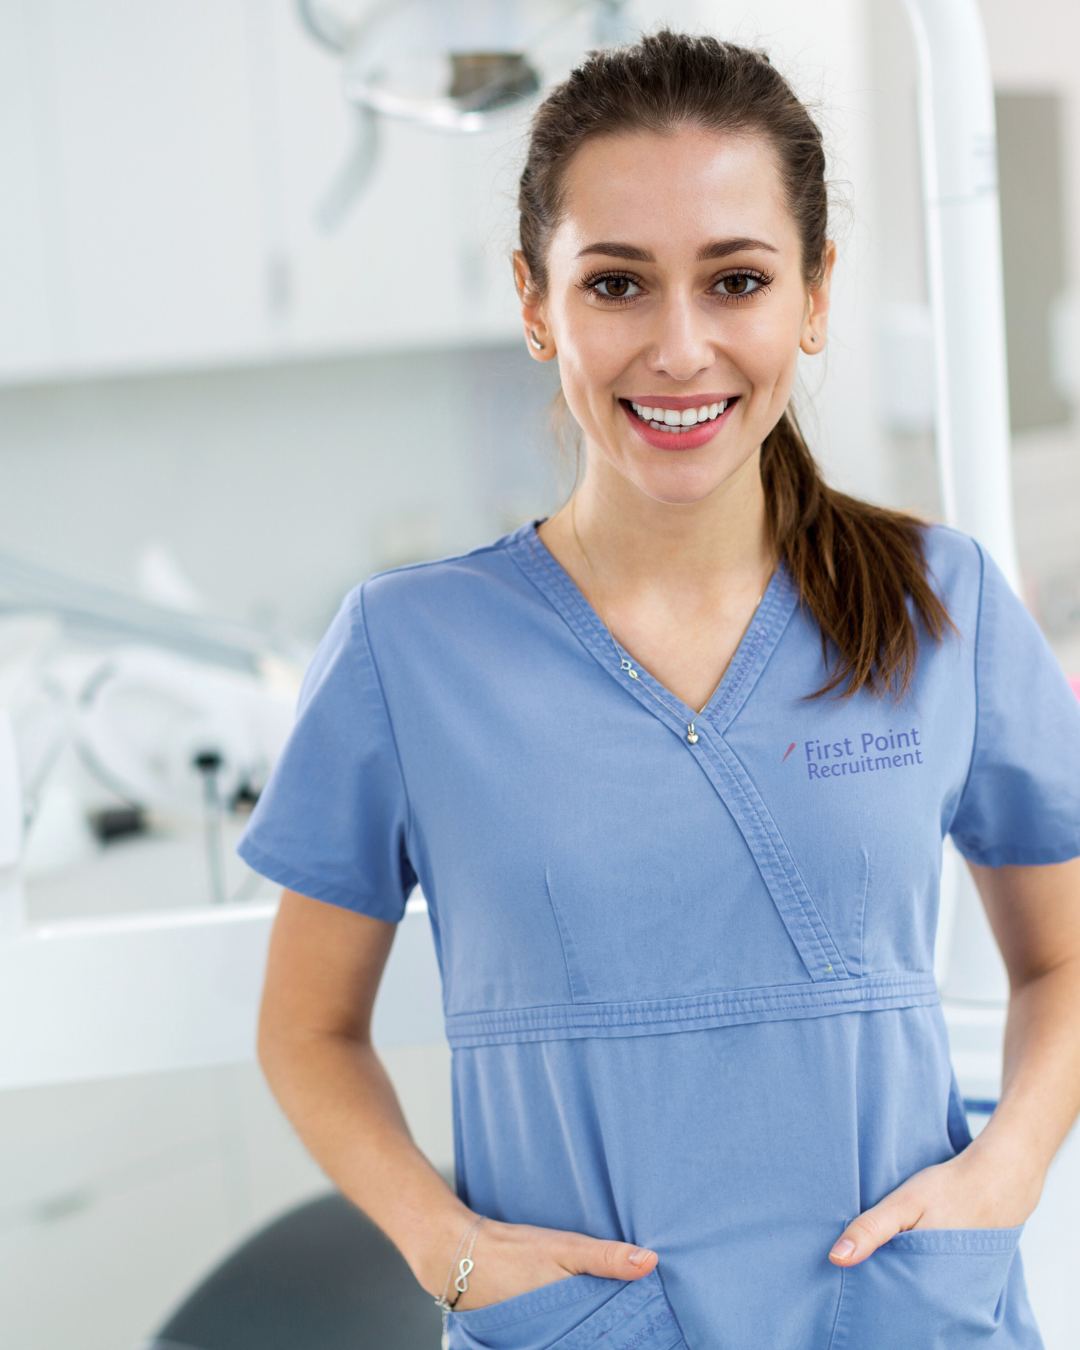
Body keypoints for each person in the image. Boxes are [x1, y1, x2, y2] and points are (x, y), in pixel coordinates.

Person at [239, 32, 1080, 1350]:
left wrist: (1011, 1170)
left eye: (736, 279)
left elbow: (1067, 955)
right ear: (535, 303)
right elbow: (305, 1028)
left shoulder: (942, 602)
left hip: (902, 1316)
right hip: (581, 1330)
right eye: (618, 283)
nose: (680, 348)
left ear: (812, 296)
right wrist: (447, 1249)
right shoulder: (409, 650)